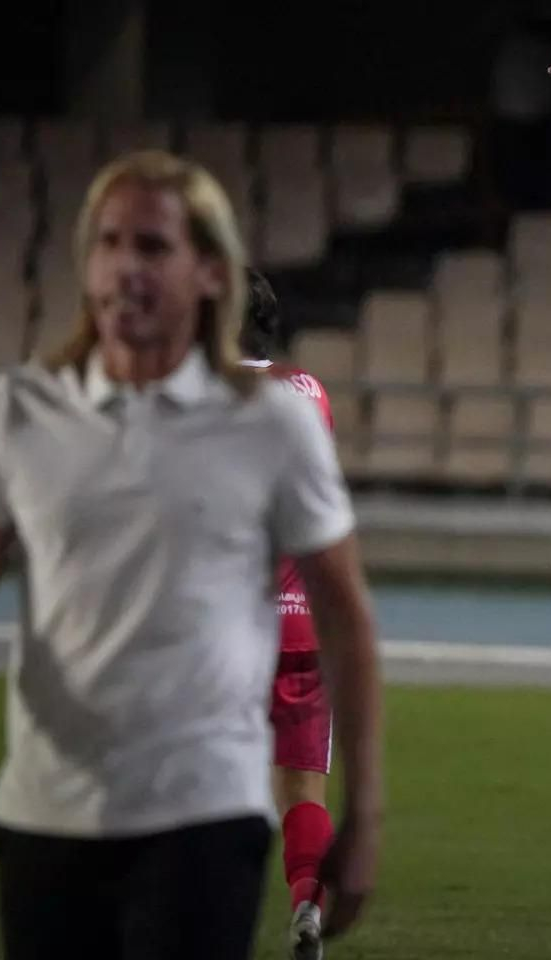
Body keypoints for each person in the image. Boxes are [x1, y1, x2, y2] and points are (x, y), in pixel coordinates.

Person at [0, 150, 383, 960]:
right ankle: (302, 906)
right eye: (110, 242)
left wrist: (369, 811)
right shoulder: (19, 409)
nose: (128, 266)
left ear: (207, 277)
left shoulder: (270, 423)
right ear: (85, 264)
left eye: (154, 246)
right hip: (50, 809)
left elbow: (349, 613)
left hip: (207, 812)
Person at [238, 267, 339, 960]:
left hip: (225, 627)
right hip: (305, 620)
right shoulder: (310, 393)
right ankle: (307, 904)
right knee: (301, 785)